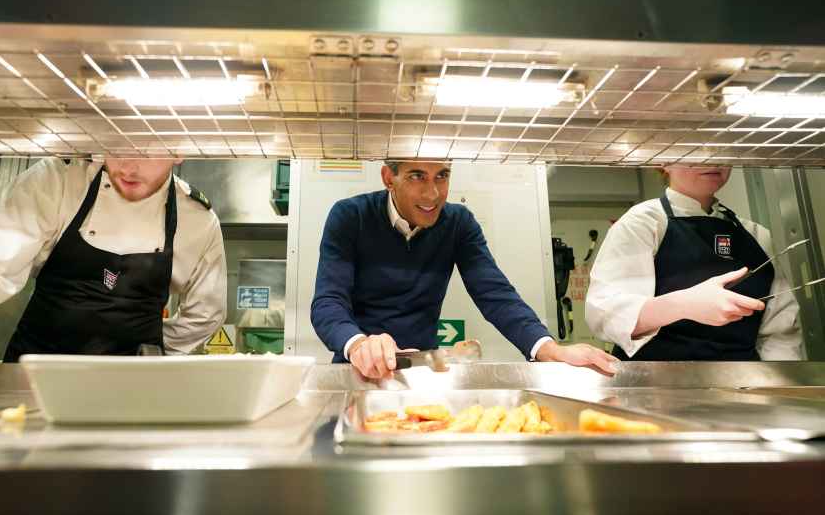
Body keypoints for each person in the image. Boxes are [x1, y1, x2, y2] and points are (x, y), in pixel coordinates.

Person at [310, 160, 618, 379]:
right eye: (417, 176)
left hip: (422, 372)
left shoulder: (458, 223)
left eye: (441, 176)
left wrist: (548, 349)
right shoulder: (351, 217)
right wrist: (360, 344)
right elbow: (327, 303)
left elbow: (495, 295)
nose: (433, 193)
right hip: (356, 368)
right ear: (389, 178)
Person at [0, 156, 227, 361]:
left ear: (178, 150)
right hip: (33, 378)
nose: (129, 166)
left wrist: (153, 356)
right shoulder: (58, 180)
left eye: (146, 149)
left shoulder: (197, 219)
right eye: (116, 142)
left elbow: (205, 314)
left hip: (136, 389)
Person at [586, 165, 801, 361]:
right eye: (696, 149)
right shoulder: (643, 222)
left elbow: (781, 333)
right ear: (664, 162)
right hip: (652, 387)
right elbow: (606, 312)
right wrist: (684, 305)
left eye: (721, 149)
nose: (712, 161)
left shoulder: (757, 235)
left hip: (742, 385)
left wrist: (774, 391)